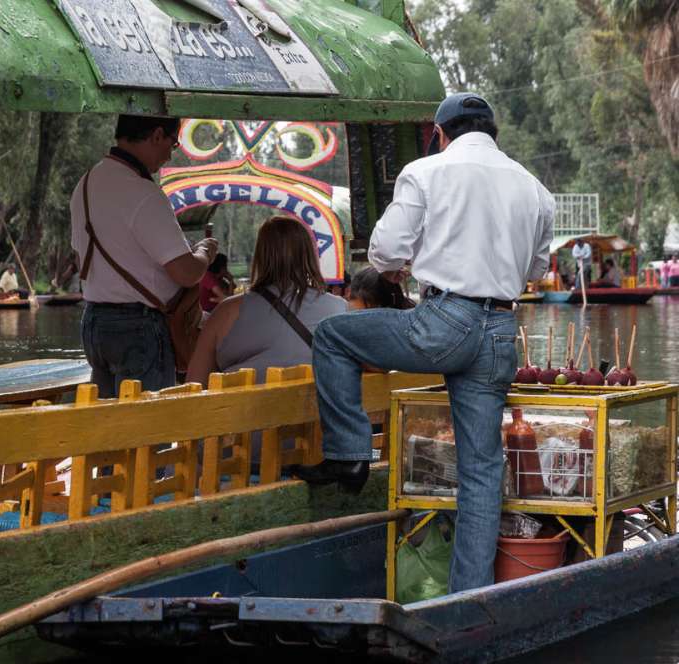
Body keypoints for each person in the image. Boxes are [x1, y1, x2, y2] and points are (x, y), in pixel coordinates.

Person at [291, 92, 555, 594]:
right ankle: (468, 598)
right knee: (481, 471)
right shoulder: (534, 188)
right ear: (492, 133)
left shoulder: (427, 171)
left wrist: (412, 264)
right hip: (500, 330)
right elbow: (536, 270)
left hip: (443, 323)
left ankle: (349, 452)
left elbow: (385, 252)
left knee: (332, 335)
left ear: (440, 133)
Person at [70, 114, 218, 397]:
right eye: (172, 145)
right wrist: (204, 252)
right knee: (149, 430)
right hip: (138, 327)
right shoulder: (143, 193)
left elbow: (81, 260)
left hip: (94, 323)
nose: (168, 156)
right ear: (157, 135)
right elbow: (186, 272)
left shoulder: (85, 185)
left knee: (107, 425)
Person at [186, 217, 345, 386]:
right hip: (319, 409)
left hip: (242, 409)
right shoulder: (339, 309)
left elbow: (194, 384)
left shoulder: (226, 312)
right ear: (309, 255)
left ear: (260, 256)